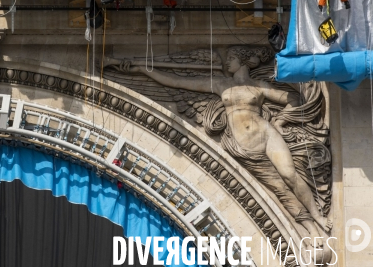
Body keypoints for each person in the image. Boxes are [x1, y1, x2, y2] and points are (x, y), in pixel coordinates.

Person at [108, 47, 332, 247]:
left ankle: (318, 216)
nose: (227, 61)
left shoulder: (259, 87)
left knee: (291, 176)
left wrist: (281, 120)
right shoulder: (221, 84)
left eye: (232, 57)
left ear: (243, 61)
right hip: (244, 147)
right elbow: (174, 82)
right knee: (280, 188)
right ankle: (309, 228)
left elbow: (293, 99)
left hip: (266, 133)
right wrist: (144, 70)